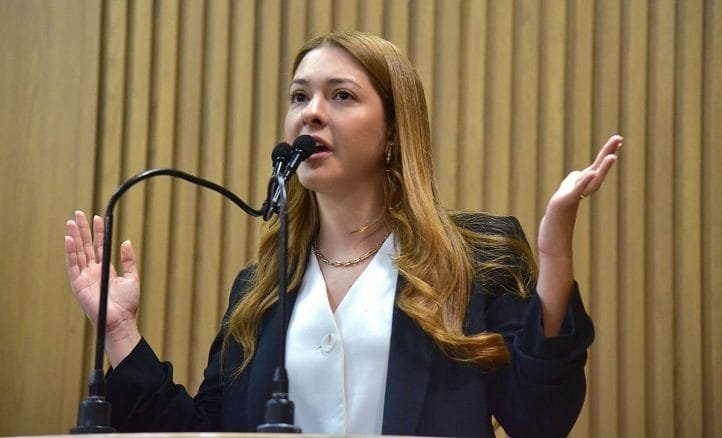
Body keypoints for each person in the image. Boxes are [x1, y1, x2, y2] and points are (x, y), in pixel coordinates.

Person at [64, 30, 621, 436]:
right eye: (299, 96)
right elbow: (206, 434)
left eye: (342, 95)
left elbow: (539, 421)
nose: (311, 114)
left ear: (394, 132)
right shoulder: (259, 291)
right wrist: (119, 333)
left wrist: (554, 251)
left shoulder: (474, 259)